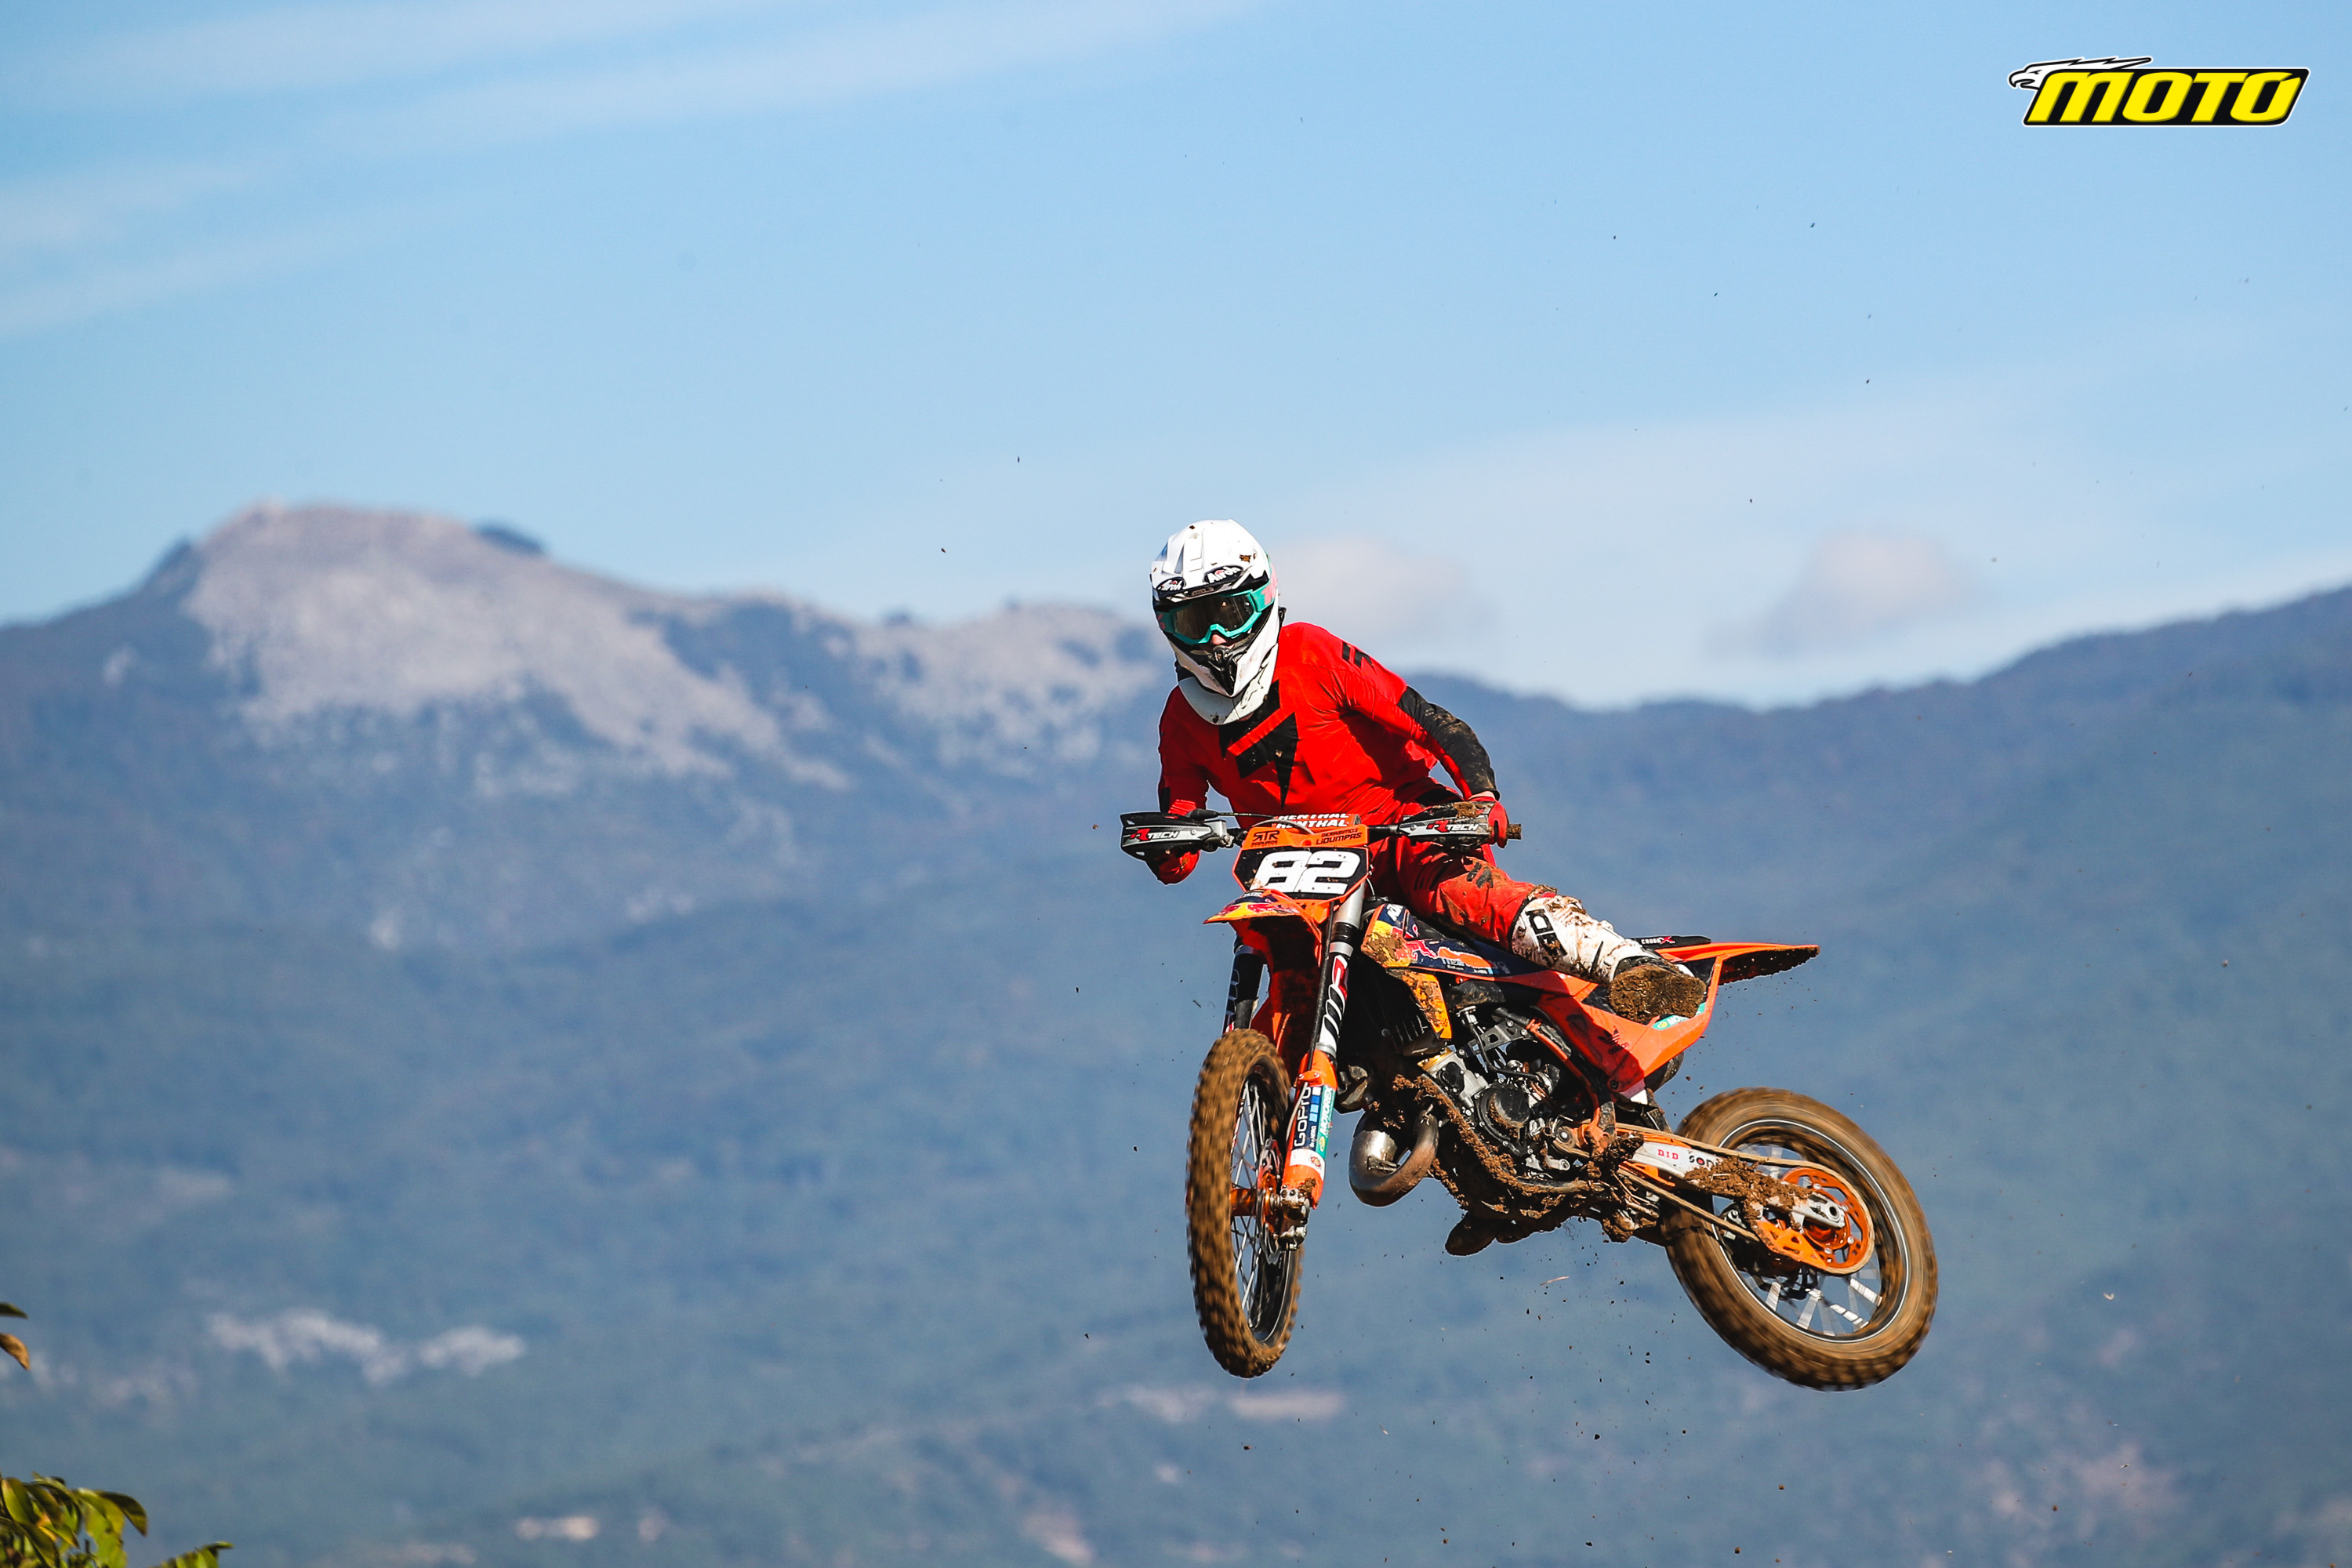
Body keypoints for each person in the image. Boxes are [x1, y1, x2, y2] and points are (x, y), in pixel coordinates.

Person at [1138, 517, 1707, 1031]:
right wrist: (1165, 844)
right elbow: (1180, 827)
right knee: (1283, 1002)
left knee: (1464, 894)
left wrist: (1481, 797)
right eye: (1193, 622)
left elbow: (1431, 722)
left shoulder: (1313, 654)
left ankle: (1627, 964)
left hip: (1404, 830)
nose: (1215, 639)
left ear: (1263, 599)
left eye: (1228, 614)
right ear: (1168, 627)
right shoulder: (1181, 718)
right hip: (1296, 877)